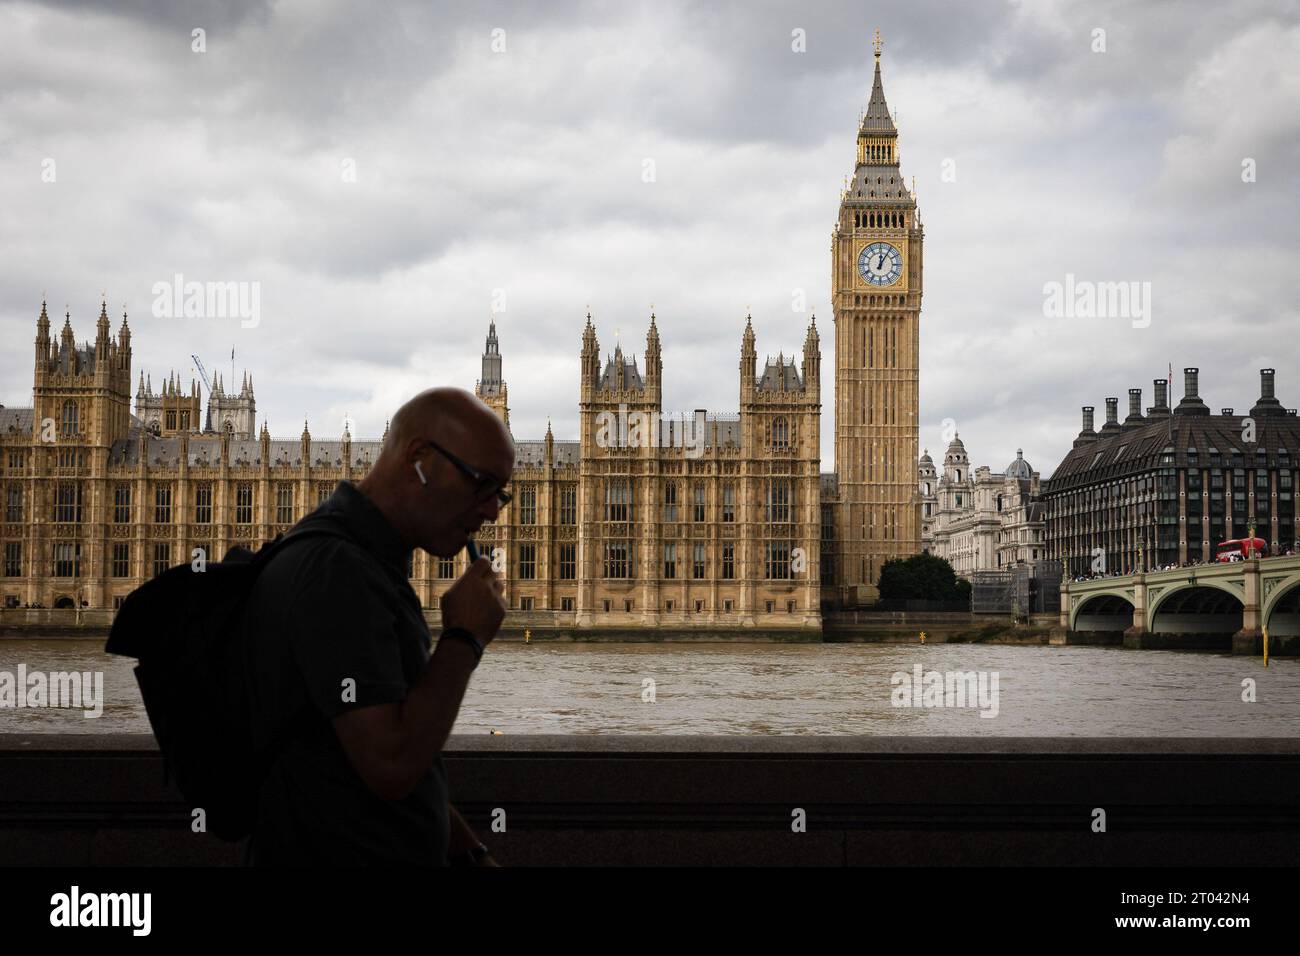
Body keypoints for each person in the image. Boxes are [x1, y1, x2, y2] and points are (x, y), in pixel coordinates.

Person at [243, 387, 514, 866]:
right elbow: (389, 763)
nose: (493, 510)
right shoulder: (337, 572)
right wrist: (464, 637)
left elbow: (363, 758)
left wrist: (469, 852)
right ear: (419, 459)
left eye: (503, 494)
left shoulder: (366, 560)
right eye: (482, 485)